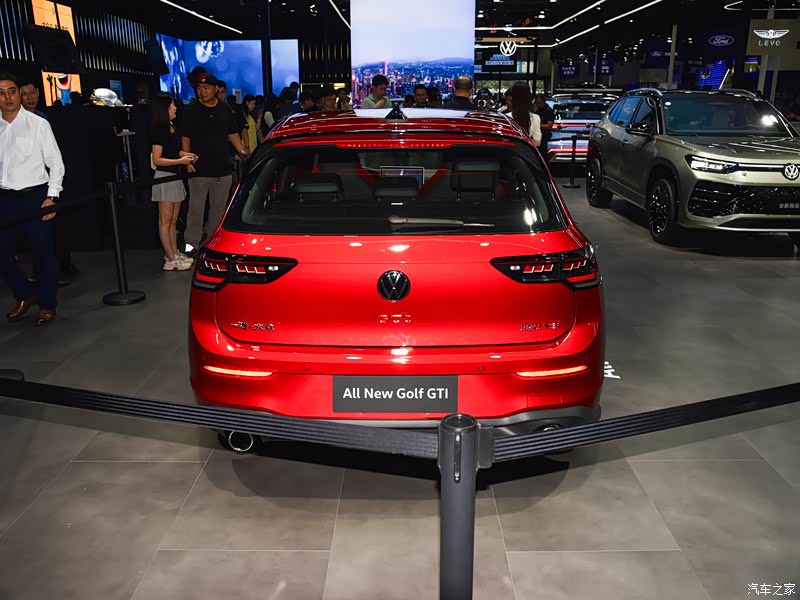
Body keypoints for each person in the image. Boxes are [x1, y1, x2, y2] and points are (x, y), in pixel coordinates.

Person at [0, 73, 64, 326]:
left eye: (11, 91)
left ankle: (47, 305)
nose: (7, 97)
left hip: (35, 196)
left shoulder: (38, 124)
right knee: (3, 254)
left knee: (42, 254)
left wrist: (52, 196)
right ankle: (25, 294)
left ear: (19, 93)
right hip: (4, 198)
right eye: (1, 93)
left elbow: (56, 163)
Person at [180, 72, 249, 255]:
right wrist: (188, 161)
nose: (202, 91)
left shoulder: (225, 109)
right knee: (196, 209)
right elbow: (185, 137)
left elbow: (232, 133)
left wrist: (242, 151)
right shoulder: (191, 110)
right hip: (199, 169)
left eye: (206, 88)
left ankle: (212, 243)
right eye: (199, 88)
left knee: (218, 210)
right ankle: (191, 244)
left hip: (222, 169)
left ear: (215, 89)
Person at [150, 94, 196, 271]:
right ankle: (170, 257)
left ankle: (174, 252)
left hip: (174, 176)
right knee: (165, 220)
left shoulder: (170, 127)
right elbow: (157, 159)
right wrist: (181, 161)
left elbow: (174, 151)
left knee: (174, 220)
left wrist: (187, 156)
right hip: (165, 177)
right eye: (172, 105)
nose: (175, 108)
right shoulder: (158, 129)